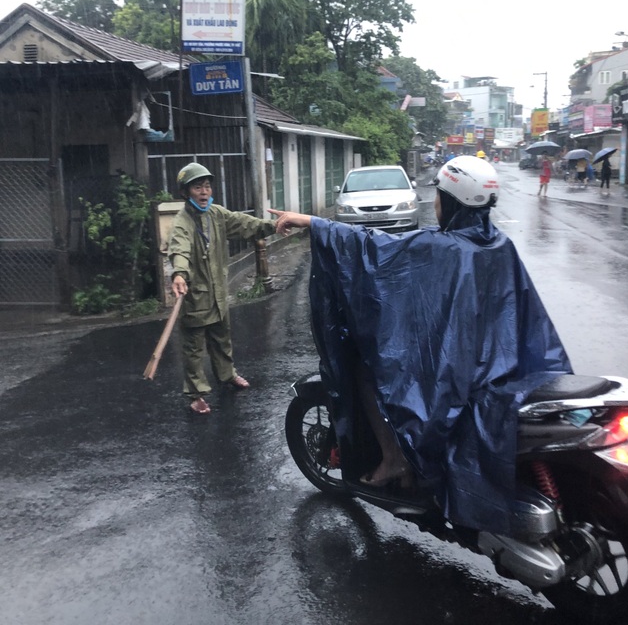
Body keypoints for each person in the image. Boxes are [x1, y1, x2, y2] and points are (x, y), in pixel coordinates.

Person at [270, 156, 571, 533]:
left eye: (439, 196)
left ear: (451, 201)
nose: (435, 203)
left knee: (367, 369)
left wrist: (312, 222)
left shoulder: (441, 247)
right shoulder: (499, 244)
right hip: (503, 367)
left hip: (459, 374)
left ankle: (395, 460)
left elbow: (372, 249)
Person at [168, 162, 280, 414]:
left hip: (218, 294)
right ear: (186, 192)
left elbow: (245, 224)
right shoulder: (182, 222)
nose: (204, 191)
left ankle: (227, 375)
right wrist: (179, 273)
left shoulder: (216, 214)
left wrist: (274, 225)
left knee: (222, 339)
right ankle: (196, 394)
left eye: (207, 186)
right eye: (198, 187)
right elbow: (179, 249)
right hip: (195, 297)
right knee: (194, 348)